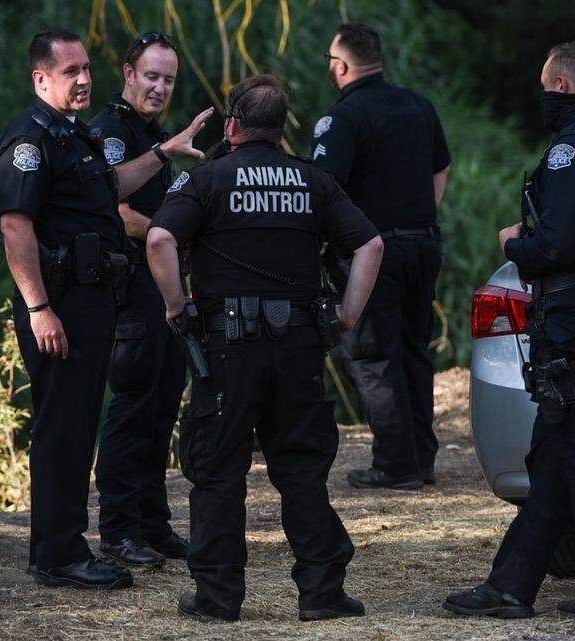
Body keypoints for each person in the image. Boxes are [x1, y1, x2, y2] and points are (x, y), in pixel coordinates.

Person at [146, 75, 385, 622]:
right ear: (280, 131)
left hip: (228, 348)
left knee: (219, 470)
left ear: (232, 126)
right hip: (299, 344)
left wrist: (176, 305)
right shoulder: (314, 181)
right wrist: (347, 316)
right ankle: (322, 593)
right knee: (301, 468)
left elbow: (159, 239)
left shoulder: (207, 180)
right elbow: (371, 244)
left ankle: (218, 597)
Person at [444, 41, 575, 619]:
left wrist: (513, 244)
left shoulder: (571, 149)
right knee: (555, 450)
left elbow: (555, 244)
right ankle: (511, 585)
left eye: (546, 88)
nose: (543, 99)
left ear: (561, 87)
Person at [0, 27, 212, 590]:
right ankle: (58, 555)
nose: (85, 78)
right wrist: (39, 307)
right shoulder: (30, 141)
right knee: (62, 430)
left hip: (92, 302)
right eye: (72, 72)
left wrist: (165, 151)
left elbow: (111, 184)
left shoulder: (72, 137)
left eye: (87, 68)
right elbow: (15, 227)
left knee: (79, 424)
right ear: (42, 79)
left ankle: (67, 547)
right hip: (59, 305)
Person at [311, 23, 451, 490]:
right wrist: (420, 216)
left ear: (343, 65)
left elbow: (325, 189)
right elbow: (441, 167)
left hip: (375, 252)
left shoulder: (343, 118)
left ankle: (395, 466)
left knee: (373, 356)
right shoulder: (418, 105)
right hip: (423, 244)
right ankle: (421, 459)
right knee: (414, 350)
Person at [89, 32, 189, 568]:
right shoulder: (110, 132)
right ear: (128, 72)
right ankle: (118, 530)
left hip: (163, 290)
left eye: (168, 78)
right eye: (151, 75)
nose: (159, 87)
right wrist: (172, 236)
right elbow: (117, 213)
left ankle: (154, 525)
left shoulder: (156, 133)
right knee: (131, 407)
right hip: (130, 291)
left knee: (162, 406)